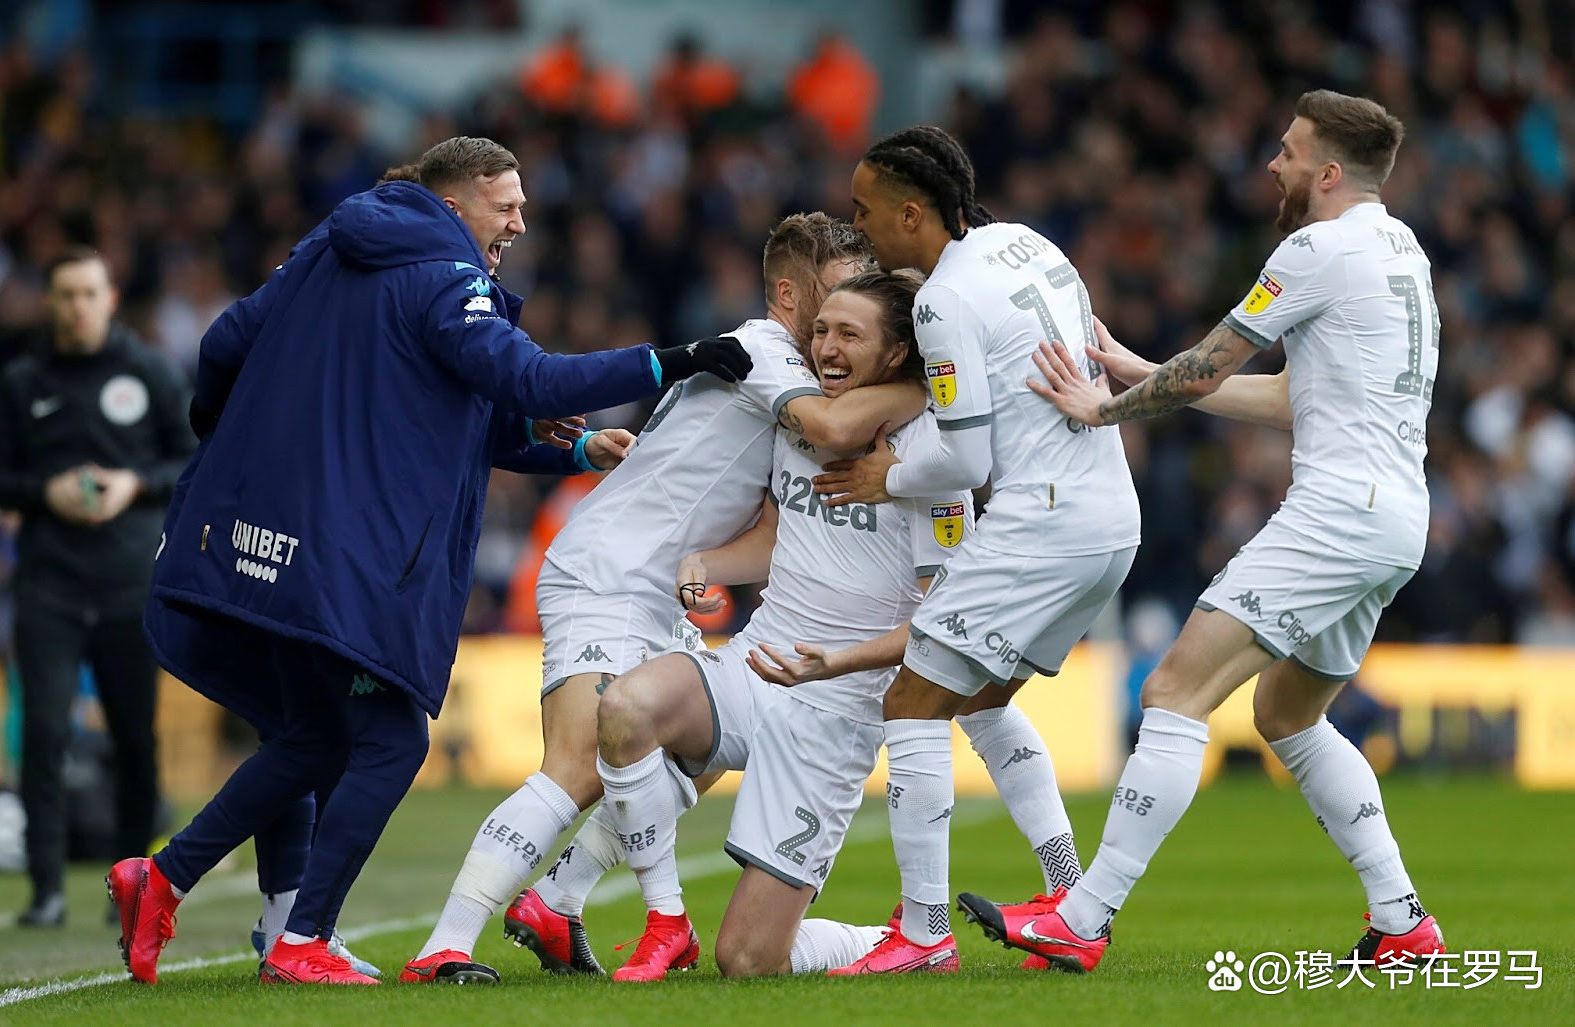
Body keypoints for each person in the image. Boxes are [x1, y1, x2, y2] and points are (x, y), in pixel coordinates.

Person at [105, 135, 752, 987]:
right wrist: (669, 359)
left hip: (265, 532)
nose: (521, 220)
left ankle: (189, 888)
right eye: (506, 203)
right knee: (389, 737)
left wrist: (241, 441)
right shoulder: (445, 276)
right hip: (349, 548)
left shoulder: (323, 254)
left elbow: (231, 344)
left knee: (314, 731)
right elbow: (526, 379)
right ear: (454, 204)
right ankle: (287, 930)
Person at [969, 89, 1445, 972]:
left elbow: (1208, 366)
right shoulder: (1402, 250)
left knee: (1174, 689)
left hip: (1336, 514)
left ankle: (1084, 915)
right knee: (1287, 712)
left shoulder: (1312, 247)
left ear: (1329, 174)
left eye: (1290, 151)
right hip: (1395, 520)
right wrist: (1149, 369)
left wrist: (1106, 404)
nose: (1274, 164)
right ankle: (1403, 919)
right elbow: (1285, 395)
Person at [401, 213, 930, 984]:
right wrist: (937, 378)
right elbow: (832, 424)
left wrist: (705, 557)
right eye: (838, 292)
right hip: (611, 573)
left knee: (687, 753)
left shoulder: (788, 362)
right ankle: (444, 944)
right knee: (579, 765)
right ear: (791, 293)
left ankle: (561, 896)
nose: (842, 320)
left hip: (652, 580)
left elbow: (779, 513)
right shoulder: (766, 353)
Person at [808, 125, 1141, 973]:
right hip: (1110, 516)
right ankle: (1068, 895)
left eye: (866, 211)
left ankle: (923, 932)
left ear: (914, 214)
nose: (860, 231)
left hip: (1044, 521)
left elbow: (965, 457)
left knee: (911, 703)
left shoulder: (939, 297)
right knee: (984, 699)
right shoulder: (1028, 241)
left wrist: (888, 474)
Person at [595, 269, 971, 980]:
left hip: (836, 707)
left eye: (848, 334)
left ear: (895, 356)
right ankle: (665, 918)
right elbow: (777, 534)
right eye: (822, 329)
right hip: (757, 661)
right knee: (624, 708)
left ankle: (898, 942)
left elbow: (944, 622)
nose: (825, 346)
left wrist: (837, 661)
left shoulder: (932, 460)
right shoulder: (798, 422)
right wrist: (707, 558)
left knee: (748, 960)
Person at [0, 247, 195, 927]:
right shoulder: (22, 382)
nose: (78, 306)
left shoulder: (149, 369)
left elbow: (189, 459)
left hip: (129, 582)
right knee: (42, 734)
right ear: (50, 301)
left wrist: (135, 484)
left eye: (89, 293)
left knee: (136, 738)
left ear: (110, 295)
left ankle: (130, 883)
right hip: (49, 584)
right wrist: (45, 491)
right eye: (66, 294)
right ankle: (46, 890)